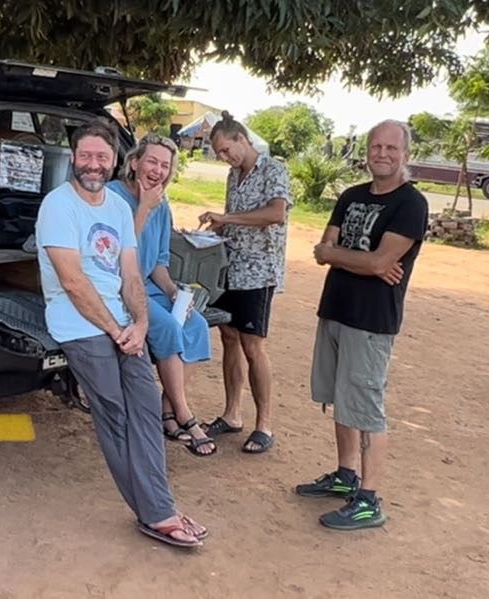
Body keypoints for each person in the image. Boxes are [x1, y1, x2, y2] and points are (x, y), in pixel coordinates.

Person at [35, 120, 207, 548]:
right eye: (86, 156)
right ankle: (157, 513)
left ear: (115, 162)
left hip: (122, 324)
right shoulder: (58, 206)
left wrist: (142, 323)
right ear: (74, 158)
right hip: (79, 323)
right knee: (116, 414)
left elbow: (131, 274)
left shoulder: (115, 208)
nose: (94, 164)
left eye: (102, 157)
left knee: (147, 407)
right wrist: (116, 329)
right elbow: (73, 283)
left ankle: (159, 504)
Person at [295, 119, 428, 530]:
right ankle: (345, 476)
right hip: (336, 309)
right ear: (366, 150)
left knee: (367, 408)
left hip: (372, 321)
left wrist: (355, 259)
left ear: (405, 154)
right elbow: (322, 250)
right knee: (341, 398)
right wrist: (361, 261)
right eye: (376, 146)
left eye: (391, 148)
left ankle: (369, 500)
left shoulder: (411, 203)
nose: (382, 154)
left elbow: (379, 262)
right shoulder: (351, 196)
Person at [106, 133, 215, 457]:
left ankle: (167, 411)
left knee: (194, 325)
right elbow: (114, 253)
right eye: (151, 161)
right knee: (167, 326)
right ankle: (184, 414)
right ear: (135, 161)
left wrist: (173, 291)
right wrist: (143, 208)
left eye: (164, 165)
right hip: (120, 286)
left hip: (151, 286)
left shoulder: (162, 204)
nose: (157, 170)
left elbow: (159, 263)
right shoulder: (113, 196)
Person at [198, 111, 293, 454]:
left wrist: (229, 218)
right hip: (231, 269)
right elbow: (232, 219)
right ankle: (232, 413)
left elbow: (275, 213)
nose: (226, 157)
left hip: (259, 271)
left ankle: (264, 424)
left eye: (227, 149)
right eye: (220, 154)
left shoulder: (274, 169)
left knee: (253, 346)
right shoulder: (232, 176)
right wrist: (216, 227)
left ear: (242, 138)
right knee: (229, 337)